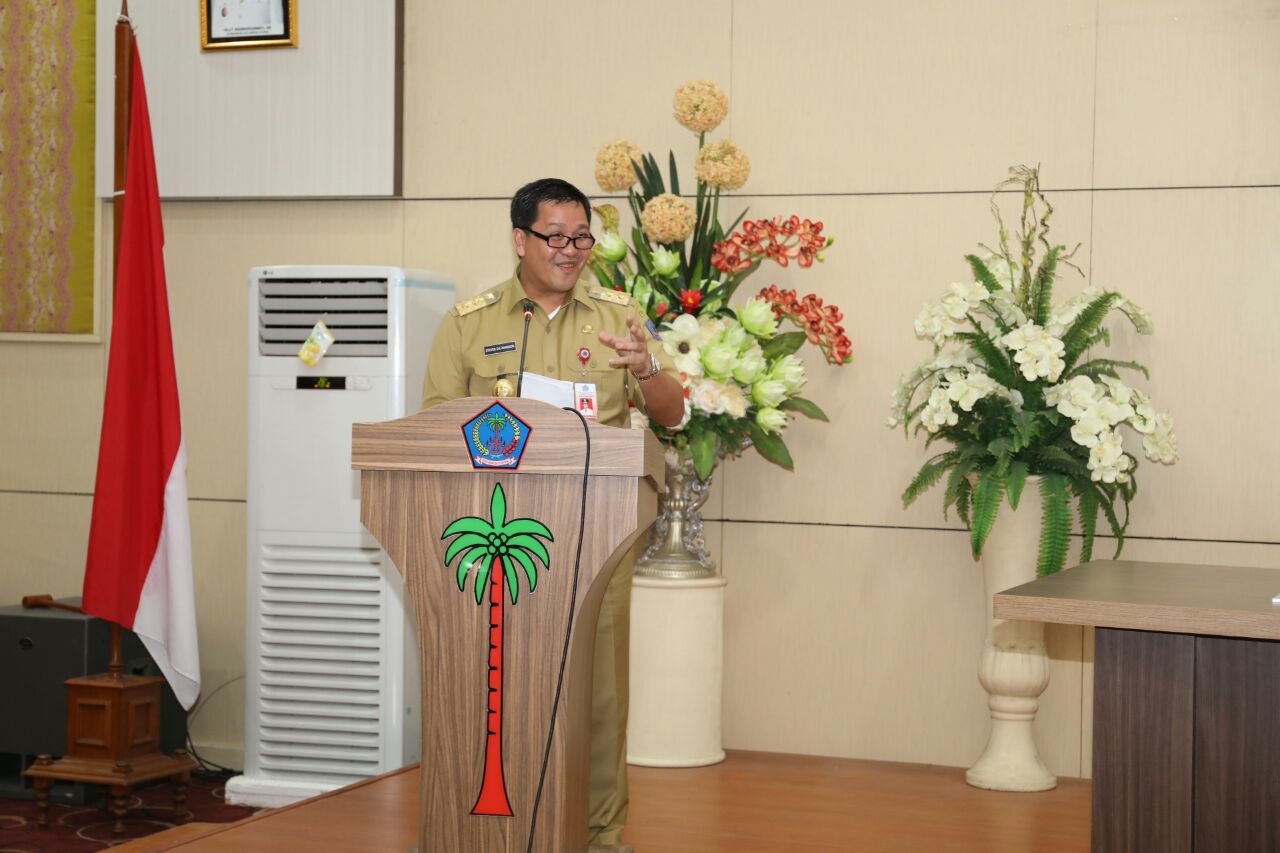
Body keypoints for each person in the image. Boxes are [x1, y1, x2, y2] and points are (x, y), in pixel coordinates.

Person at [421, 178, 685, 852]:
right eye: (555, 236)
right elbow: (435, 429)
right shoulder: (470, 322)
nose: (571, 250)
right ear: (520, 239)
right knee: (490, 682)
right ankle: (483, 826)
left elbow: (673, 412)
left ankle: (598, 835)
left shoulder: (620, 315)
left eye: (582, 237)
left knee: (598, 691)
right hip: (492, 535)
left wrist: (646, 366)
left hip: (599, 532)